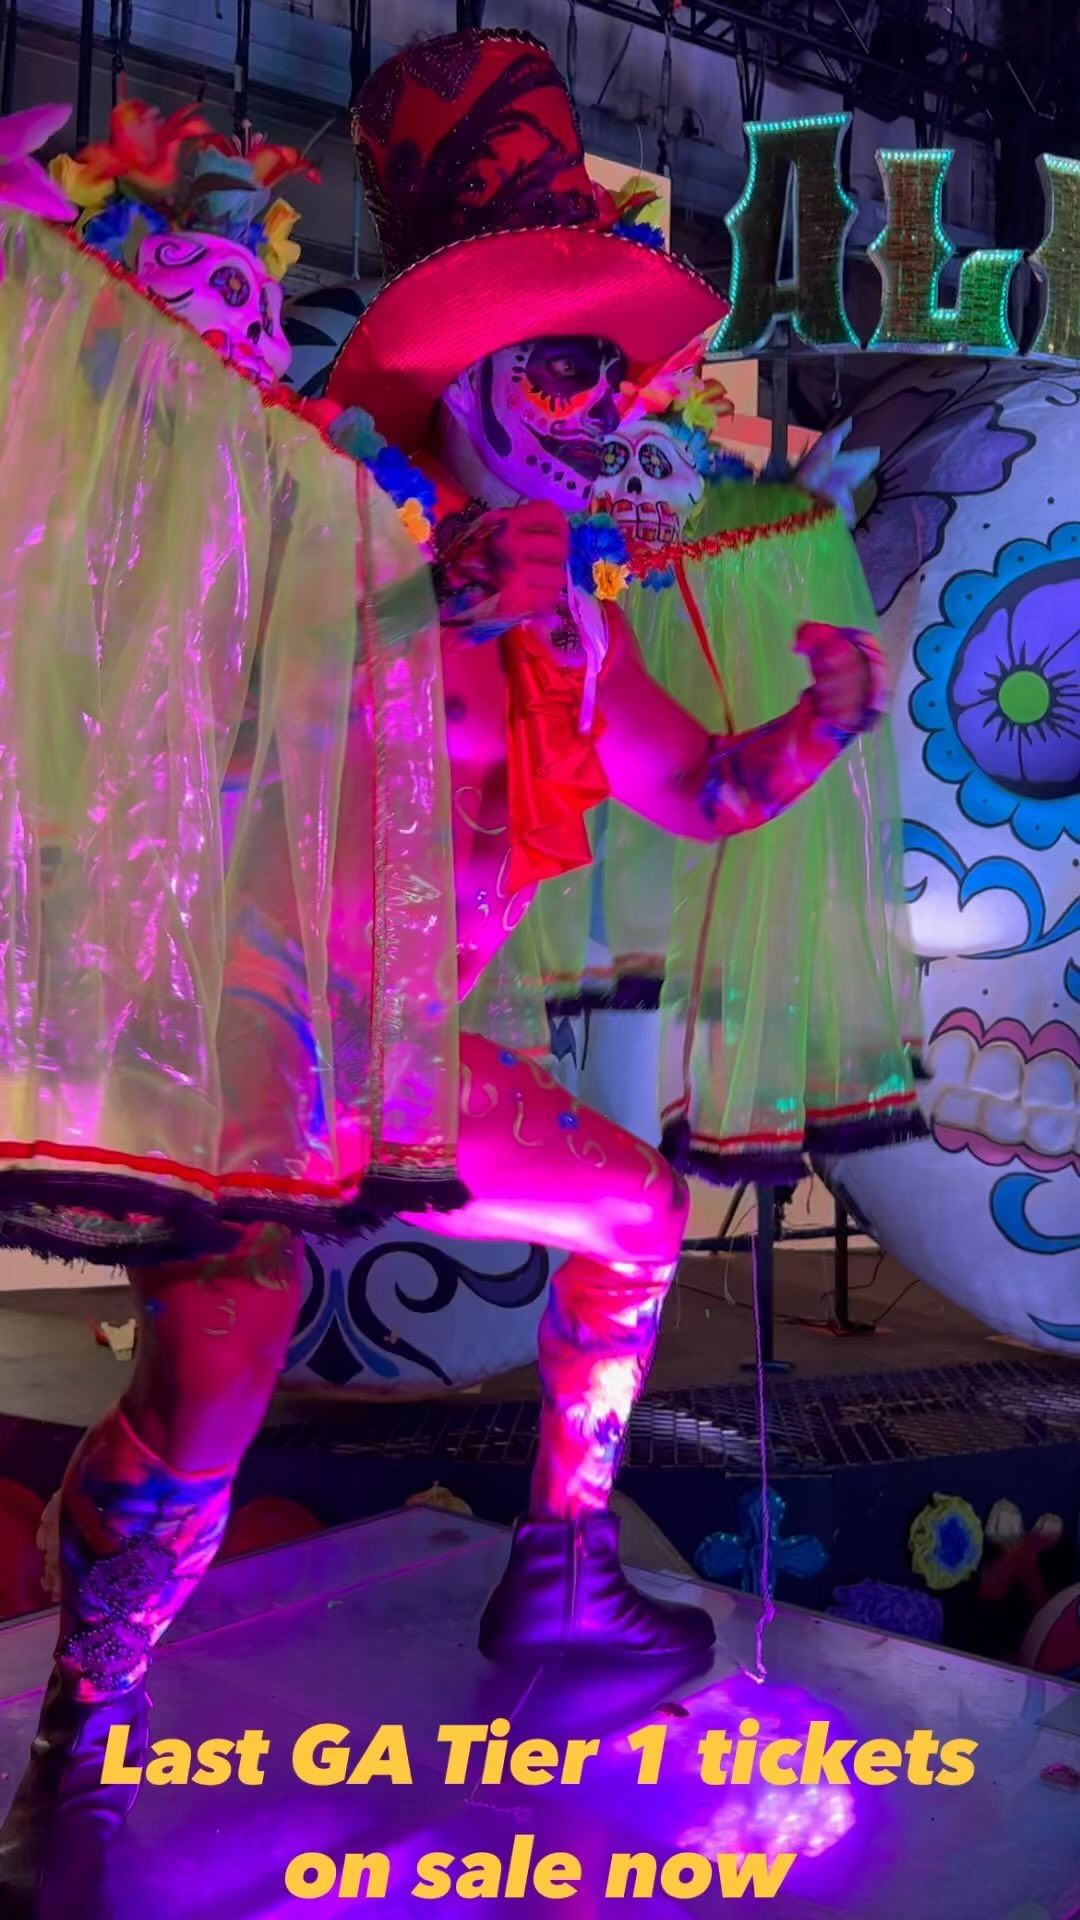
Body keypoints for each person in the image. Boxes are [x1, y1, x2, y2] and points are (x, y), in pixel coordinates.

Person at [0, 38, 885, 1918]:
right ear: (466, 371)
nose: (602, 405)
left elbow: (705, 791)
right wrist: (418, 602)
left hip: (397, 1069)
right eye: (563, 367)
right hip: (239, 1052)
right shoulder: (305, 509)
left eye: (611, 374)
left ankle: (559, 1579)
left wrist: (814, 728)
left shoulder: (573, 614)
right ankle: (83, 1734)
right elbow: (185, 732)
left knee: (632, 1214)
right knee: (217, 1377)